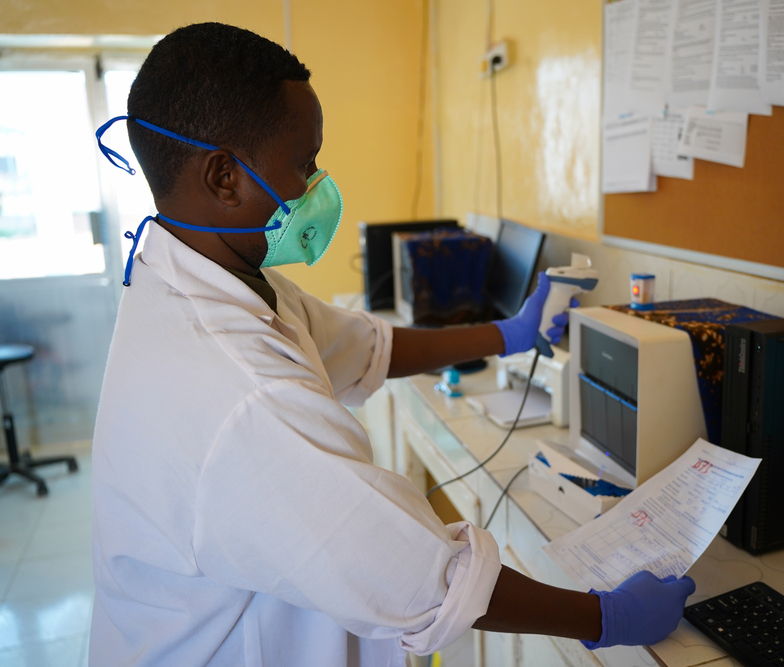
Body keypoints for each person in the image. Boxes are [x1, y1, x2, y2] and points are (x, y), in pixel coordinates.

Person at [90, 22, 695, 666]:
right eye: (304, 162)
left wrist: (510, 334)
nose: (317, 184)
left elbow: (365, 346)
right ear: (224, 178)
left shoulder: (209, 280)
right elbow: (421, 577)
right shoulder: (240, 391)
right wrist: (606, 616)